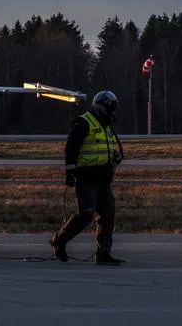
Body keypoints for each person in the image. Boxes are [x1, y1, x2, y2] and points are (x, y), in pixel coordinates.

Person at [50, 90, 125, 265]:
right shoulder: (83, 123)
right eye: (111, 109)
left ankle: (103, 253)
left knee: (107, 216)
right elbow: (71, 149)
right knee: (86, 215)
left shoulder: (106, 127)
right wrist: (70, 174)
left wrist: (114, 157)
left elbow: (105, 149)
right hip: (87, 179)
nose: (113, 113)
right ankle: (60, 240)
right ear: (102, 108)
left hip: (103, 180)